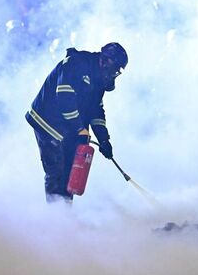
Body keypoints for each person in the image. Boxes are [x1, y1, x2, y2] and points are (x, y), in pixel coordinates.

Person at [26, 42, 128, 203]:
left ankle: (65, 215)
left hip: (70, 124)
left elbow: (95, 110)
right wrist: (80, 128)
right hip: (48, 120)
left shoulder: (99, 77)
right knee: (57, 170)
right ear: (105, 60)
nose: (115, 73)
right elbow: (64, 98)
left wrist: (103, 139)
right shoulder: (76, 64)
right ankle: (55, 216)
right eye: (115, 67)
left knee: (71, 170)